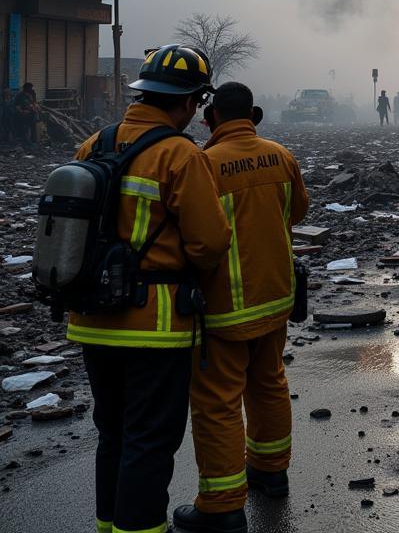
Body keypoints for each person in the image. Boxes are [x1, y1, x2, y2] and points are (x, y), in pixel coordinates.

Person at [68, 46, 230, 533]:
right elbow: (210, 241)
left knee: (111, 434)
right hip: (155, 327)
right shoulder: (180, 154)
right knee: (149, 439)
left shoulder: (94, 145)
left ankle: (108, 525)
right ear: (189, 102)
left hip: (92, 320)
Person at [175, 83, 308, 532]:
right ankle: (272, 472)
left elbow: (197, 235)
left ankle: (222, 505)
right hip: (276, 297)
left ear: (209, 119)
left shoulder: (205, 164)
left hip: (225, 306)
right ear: (253, 115)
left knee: (218, 402)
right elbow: (298, 211)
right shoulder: (281, 155)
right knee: (269, 383)